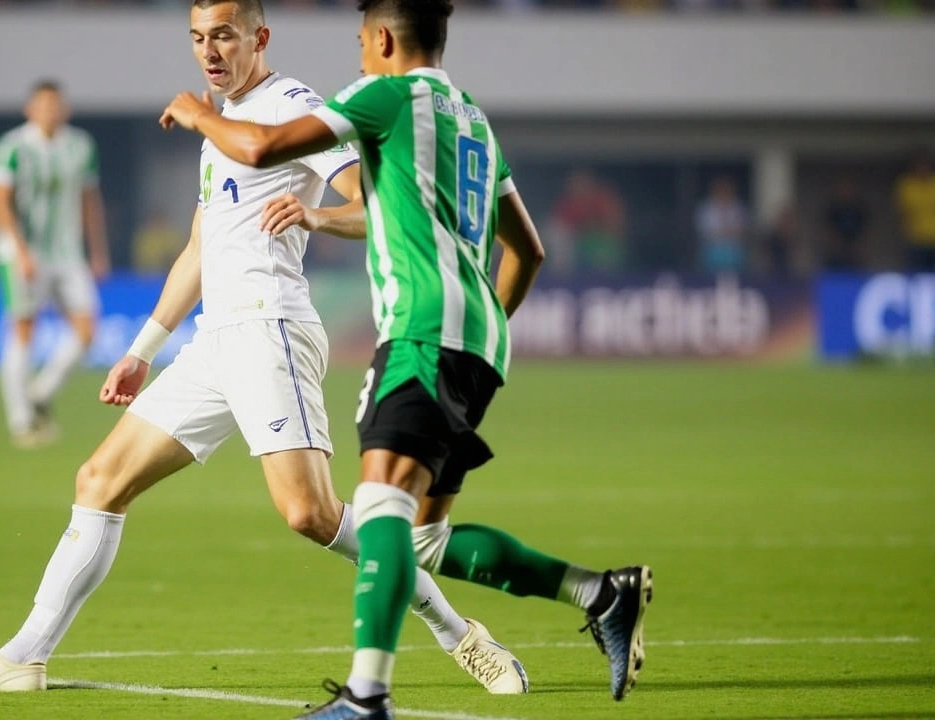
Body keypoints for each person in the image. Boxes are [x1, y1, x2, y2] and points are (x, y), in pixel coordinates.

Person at [0, 0, 526, 696]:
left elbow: (376, 205)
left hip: (272, 330)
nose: (210, 51)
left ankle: (459, 633)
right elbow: (200, 250)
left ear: (258, 38)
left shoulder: (292, 104)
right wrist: (145, 347)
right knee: (99, 480)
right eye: (198, 38)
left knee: (311, 514)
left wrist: (319, 215)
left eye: (225, 36)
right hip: (216, 339)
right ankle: (26, 654)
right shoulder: (222, 131)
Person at [159, 0, 652, 715]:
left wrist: (197, 114)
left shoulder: (383, 94)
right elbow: (529, 250)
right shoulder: (474, 119)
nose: (358, 55)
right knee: (418, 537)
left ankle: (366, 697)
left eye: (361, 41)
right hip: (482, 339)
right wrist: (475, 333)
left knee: (380, 504)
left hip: (421, 330)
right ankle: (602, 594)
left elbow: (264, 149)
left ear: (383, 38)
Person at [0, 80, 113, 448]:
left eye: (56, 105)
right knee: (24, 329)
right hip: (20, 254)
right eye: (43, 105)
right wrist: (20, 250)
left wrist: (97, 251)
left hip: (68, 254)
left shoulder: (80, 146)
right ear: (30, 109)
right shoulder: (12, 147)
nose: (50, 111)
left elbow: (90, 200)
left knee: (87, 330)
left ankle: (40, 393)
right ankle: (21, 420)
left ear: (65, 109)